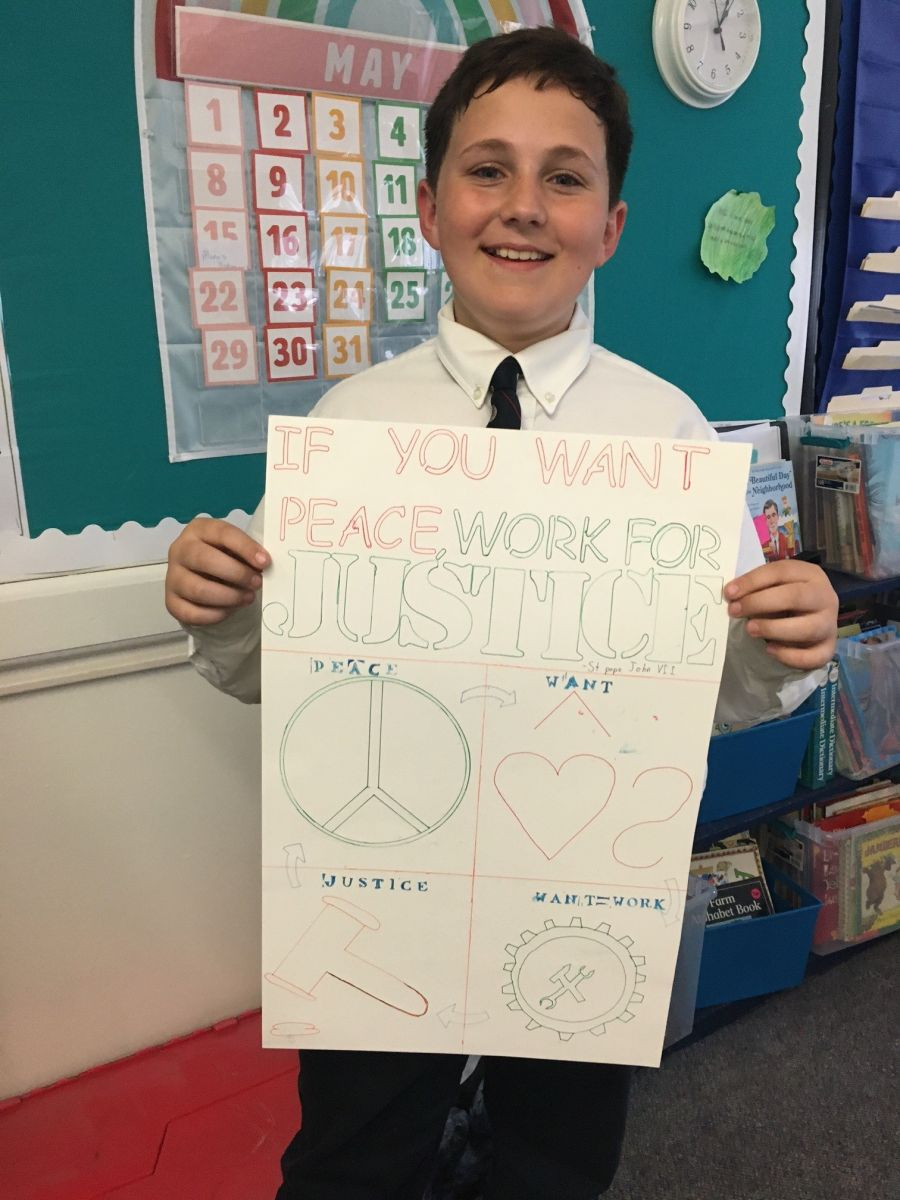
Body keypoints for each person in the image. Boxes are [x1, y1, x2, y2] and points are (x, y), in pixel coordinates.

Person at [165, 26, 838, 1200]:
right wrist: (221, 607)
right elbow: (277, 666)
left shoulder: (669, 435)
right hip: (379, 882)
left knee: (554, 1158)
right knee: (351, 1154)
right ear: (430, 209)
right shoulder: (350, 428)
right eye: (488, 170)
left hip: (581, 878)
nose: (523, 207)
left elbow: (713, 693)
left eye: (565, 178)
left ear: (611, 227)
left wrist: (778, 644)